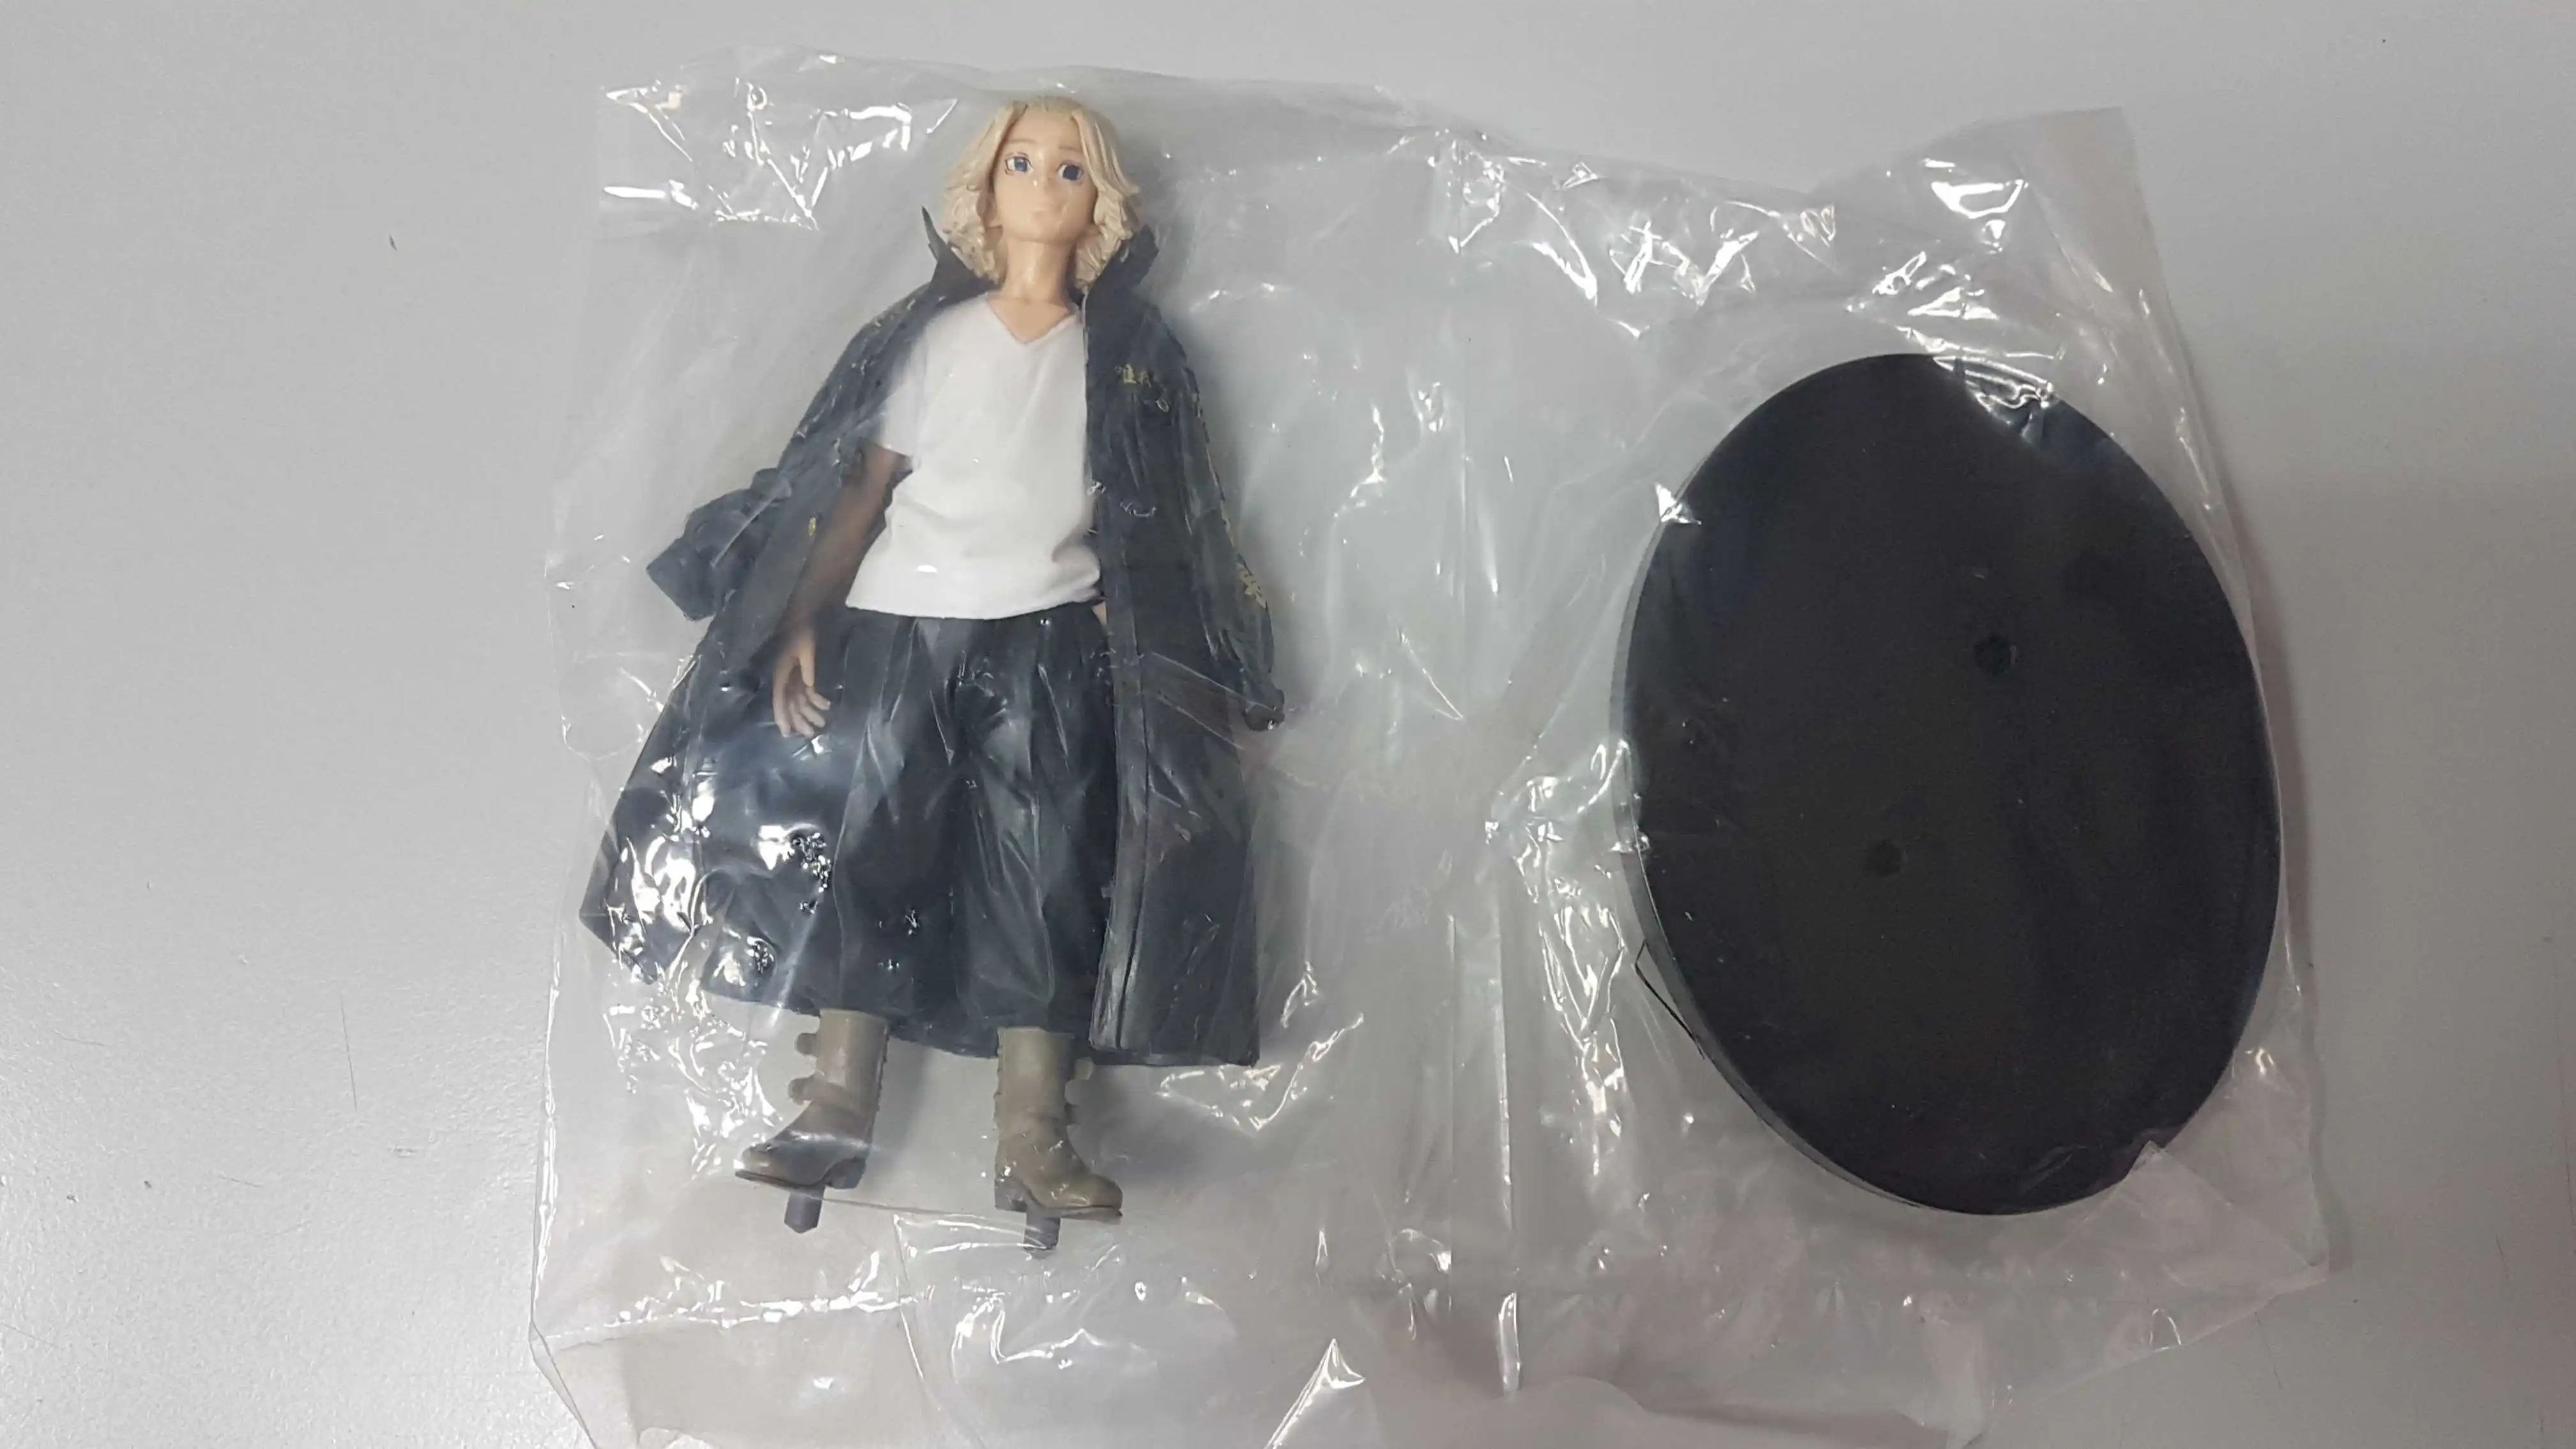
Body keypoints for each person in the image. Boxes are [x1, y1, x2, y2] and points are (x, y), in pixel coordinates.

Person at [582, 98, 1282, 1244]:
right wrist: (804, 617)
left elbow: (1171, 507)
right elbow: (860, 490)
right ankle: (835, 1103)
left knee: (1045, 873)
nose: (1044, 184)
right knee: (869, 853)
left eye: (1069, 168)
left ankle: (1034, 1135)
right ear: (987, 185)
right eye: (1023, 162)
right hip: (900, 629)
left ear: (1102, 199)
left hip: (1049, 640)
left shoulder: (1128, 355)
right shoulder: (930, 339)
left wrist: (1152, 619)